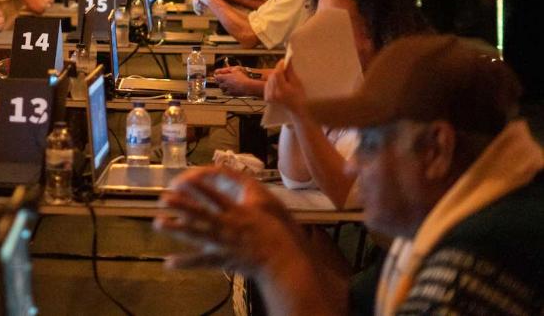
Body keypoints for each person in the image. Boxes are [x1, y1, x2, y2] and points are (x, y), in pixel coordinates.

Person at [155, 34, 544, 316]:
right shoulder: (453, 223)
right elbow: (349, 308)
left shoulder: (480, 262)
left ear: (436, 149)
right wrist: (282, 235)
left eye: (370, 144)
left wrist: (276, 261)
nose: (352, 163)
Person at [265, 0, 426, 208]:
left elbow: (349, 193)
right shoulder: (339, 85)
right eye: (318, 20)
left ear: (374, 32)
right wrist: (291, 113)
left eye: (334, 23)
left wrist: (300, 113)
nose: (319, 34)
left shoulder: (396, 96)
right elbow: (295, 178)